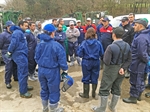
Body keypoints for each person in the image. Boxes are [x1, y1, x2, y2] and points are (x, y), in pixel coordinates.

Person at [93, 27, 131, 112]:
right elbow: (129, 59)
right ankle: (112, 107)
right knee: (117, 87)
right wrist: (123, 68)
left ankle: (102, 108)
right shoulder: (127, 45)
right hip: (122, 69)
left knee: (105, 88)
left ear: (113, 35)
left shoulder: (111, 47)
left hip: (111, 69)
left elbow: (106, 61)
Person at [35, 24, 68, 112]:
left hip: (41, 70)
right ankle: (53, 110)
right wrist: (65, 70)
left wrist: (42, 64)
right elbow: (62, 60)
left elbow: (36, 57)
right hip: (52, 71)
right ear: (52, 33)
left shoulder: (40, 44)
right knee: (53, 91)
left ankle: (45, 109)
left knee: (44, 89)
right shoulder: (56, 45)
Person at [123, 19, 150, 104]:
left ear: (141, 26)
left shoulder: (141, 38)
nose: (133, 26)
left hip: (137, 63)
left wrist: (146, 60)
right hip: (137, 62)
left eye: (135, 25)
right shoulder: (141, 35)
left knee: (136, 79)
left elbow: (142, 53)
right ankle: (137, 95)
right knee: (139, 78)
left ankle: (133, 97)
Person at [6, 20, 33, 98]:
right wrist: (9, 52)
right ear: (21, 25)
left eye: (27, 26)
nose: (27, 27)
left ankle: (25, 86)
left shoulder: (21, 32)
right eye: (25, 26)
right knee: (23, 73)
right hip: (19, 55)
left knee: (23, 72)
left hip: (22, 54)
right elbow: (13, 43)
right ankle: (23, 92)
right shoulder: (17, 33)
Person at [77, 27, 104, 99]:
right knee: (95, 77)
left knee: (86, 77)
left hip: (86, 62)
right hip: (96, 61)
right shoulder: (98, 43)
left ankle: (85, 94)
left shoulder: (84, 43)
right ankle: (94, 94)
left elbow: (79, 54)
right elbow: (102, 53)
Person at [0, 21, 18, 89]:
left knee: (15, 65)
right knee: (9, 67)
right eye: (11, 26)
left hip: (13, 52)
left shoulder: (13, 33)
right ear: (7, 26)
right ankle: (7, 81)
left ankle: (16, 77)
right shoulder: (3, 35)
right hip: (6, 53)